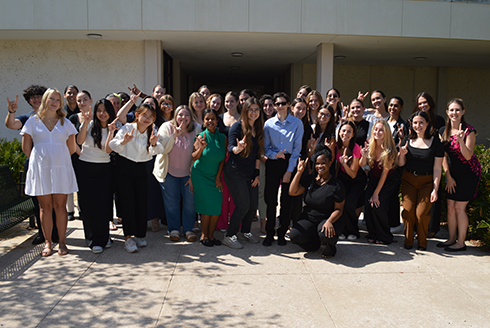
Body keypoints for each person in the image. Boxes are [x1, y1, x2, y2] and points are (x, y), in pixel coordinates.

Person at [20, 88, 78, 257]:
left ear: (61, 104)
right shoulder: (32, 121)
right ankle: (47, 243)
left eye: (58, 100)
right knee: (45, 208)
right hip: (40, 171)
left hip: (61, 169)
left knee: (60, 207)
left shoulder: (65, 123)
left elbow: (72, 148)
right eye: (51, 98)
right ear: (45, 100)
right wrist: (39, 161)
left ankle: (61, 242)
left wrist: (57, 159)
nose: (54, 102)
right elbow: (26, 147)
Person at [106, 103, 164, 253]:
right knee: (127, 203)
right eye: (144, 115)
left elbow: (158, 150)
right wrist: (124, 141)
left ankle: (140, 235)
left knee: (141, 202)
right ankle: (128, 238)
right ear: (137, 115)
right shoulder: (127, 128)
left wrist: (153, 143)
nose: (147, 119)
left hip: (141, 169)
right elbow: (113, 145)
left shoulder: (152, 130)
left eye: (151, 117)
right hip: (124, 168)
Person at [5, 85, 56, 246]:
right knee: (38, 202)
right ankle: (42, 233)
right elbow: (11, 125)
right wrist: (11, 111)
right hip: (34, 165)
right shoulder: (26, 118)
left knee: (54, 201)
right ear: (28, 100)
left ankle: (55, 233)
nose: (35, 99)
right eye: (32, 97)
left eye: (38, 96)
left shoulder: (53, 116)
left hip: (53, 164)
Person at [438, 99, 481, 252]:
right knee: (450, 207)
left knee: (459, 208)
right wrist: (448, 176)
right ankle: (451, 239)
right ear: (447, 112)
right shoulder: (443, 131)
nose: (454, 113)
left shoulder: (469, 131)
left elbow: (468, 156)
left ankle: (461, 242)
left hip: (469, 173)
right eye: (451, 110)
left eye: (457, 110)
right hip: (453, 173)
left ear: (463, 112)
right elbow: (442, 156)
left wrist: (461, 141)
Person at [289, 144, 345, 258]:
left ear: (330, 163)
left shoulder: (336, 185)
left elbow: (339, 209)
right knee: (294, 236)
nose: (320, 166)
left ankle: (330, 247)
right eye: (317, 163)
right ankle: (315, 244)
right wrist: (299, 172)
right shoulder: (311, 180)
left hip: (328, 218)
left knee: (325, 233)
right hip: (310, 217)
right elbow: (292, 192)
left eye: (323, 163)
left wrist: (329, 221)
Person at [154, 105, 201, 242]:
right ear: (175, 116)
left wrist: (193, 175)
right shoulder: (166, 127)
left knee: (190, 203)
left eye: (187, 115)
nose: (183, 118)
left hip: (189, 174)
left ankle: (188, 229)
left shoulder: (197, 128)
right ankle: (173, 228)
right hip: (169, 172)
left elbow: (198, 153)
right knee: (172, 203)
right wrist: (175, 135)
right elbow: (162, 149)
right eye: (180, 115)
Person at [398, 111, 443, 251]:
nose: (418, 125)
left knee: (421, 214)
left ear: (427, 124)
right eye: (415, 122)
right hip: (409, 180)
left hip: (427, 182)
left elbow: (437, 169)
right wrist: (402, 154)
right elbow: (400, 164)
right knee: (408, 211)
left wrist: (435, 189)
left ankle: (422, 241)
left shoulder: (436, 142)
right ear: (411, 124)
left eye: (421, 122)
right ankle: (409, 239)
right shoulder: (407, 140)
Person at [263, 92, 304, 246]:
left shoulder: (297, 123)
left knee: (286, 201)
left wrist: (289, 170)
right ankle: (269, 233)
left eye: (283, 103)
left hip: (289, 162)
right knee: (271, 200)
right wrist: (274, 155)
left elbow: (297, 149)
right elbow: (265, 149)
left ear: (288, 105)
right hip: (273, 162)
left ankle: (281, 233)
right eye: (277, 104)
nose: (280, 106)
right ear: (274, 106)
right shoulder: (268, 124)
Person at [222, 98, 264, 248]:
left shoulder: (259, 128)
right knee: (243, 205)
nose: (253, 112)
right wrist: (238, 148)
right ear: (245, 111)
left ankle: (245, 232)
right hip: (234, 172)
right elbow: (231, 148)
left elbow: (258, 153)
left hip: (250, 173)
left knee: (253, 206)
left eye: (256, 109)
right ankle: (230, 235)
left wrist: (257, 174)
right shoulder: (237, 127)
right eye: (250, 109)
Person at [76, 99, 116, 253]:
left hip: (104, 169)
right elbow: (79, 141)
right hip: (85, 167)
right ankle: (93, 239)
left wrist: (111, 132)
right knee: (87, 205)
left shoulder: (114, 128)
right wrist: (85, 124)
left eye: (105, 110)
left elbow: (107, 150)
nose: (102, 113)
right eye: (99, 110)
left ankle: (103, 237)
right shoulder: (90, 124)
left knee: (103, 204)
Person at [191, 109, 226, 247]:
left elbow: (222, 159)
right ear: (204, 122)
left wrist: (218, 177)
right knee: (206, 208)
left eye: (213, 118)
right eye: (207, 119)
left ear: (217, 121)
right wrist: (201, 147)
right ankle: (204, 235)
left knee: (216, 207)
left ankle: (211, 235)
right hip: (200, 175)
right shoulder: (200, 136)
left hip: (214, 177)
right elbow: (194, 157)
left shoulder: (223, 138)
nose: (210, 121)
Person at [360, 120, 398, 244]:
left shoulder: (391, 150)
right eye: (376, 129)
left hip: (388, 180)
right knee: (368, 203)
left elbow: (384, 174)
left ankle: (385, 236)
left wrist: (376, 193)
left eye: (381, 130)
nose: (378, 132)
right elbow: (362, 164)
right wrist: (364, 156)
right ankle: (373, 234)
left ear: (386, 132)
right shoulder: (369, 144)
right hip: (373, 177)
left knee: (378, 206)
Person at [413, 92, 445, 238]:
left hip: (435, 159)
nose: (422, 105)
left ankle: (431, 229)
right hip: (419, 162)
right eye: (420, 103)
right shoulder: (415, 118)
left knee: (433, 196)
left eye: (425, 102)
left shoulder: (438, 120)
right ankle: (416, 228)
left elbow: (443, 140)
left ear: (430, 103)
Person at [335, 121, 366, 240]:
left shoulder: (356, 148)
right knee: (341, 204)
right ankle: (342, 230)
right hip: (343, 178)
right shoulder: (336, 145)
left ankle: (353, 231)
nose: (345, 133)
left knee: (348, 205)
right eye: (343, 130)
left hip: (356, 179)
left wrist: (344, 164)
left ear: (353, 134)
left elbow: (353, 174)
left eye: (349, 131)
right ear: (339, 132)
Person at [216, 91, 240, 232]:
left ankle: (236, 223)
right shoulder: (219, 118)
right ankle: (223, 223)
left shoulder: (243, 118)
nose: (229, 104)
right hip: (222, 158)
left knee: (236, 193)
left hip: (239, 159)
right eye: (226, 101)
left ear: (237, 102)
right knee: (223, 193)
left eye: (232, 101)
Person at [257, 94, 275, 234]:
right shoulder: (258, 122)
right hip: (262, 161)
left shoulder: (279, 121)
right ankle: (263, 222)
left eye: (270, 105)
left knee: (273, 193)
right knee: (262, 193)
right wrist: (262, 156)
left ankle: (272, 220)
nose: (268, 108)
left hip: (276, 161)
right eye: (265, 105)